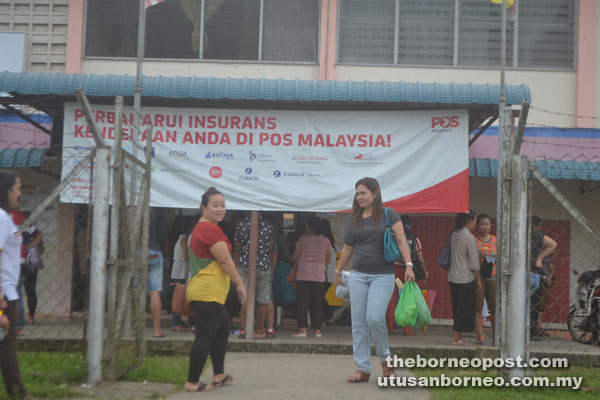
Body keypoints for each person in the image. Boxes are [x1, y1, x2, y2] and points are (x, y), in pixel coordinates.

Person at [333, 177, 415, 383]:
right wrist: (337, 271)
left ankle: (386, 358)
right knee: (358, 323)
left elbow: (401, 241)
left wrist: (409, 266)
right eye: (357, 193)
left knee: (374, 318)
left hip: (383, 275)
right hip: (358, 275)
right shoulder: (354, 218)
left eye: (363, 193)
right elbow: (349, 248)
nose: (359, 197)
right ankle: (363, 368)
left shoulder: (389, 214)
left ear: (375, 193)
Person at [184, 187, 247, 392]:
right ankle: (192, 382)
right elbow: (225, 260)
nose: (220, 209)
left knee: (222, 329)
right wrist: (239, 283)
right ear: (203, 208)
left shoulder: (201, 228)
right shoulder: (209, 229)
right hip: (207, 291)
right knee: (204, 335)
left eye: (223, 205)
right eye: (215, 205)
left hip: (206, 290)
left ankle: (219, 374)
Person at [0, 170, 27, 399]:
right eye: (17, 188)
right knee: (7, 345)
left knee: (6, 344)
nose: (19, 193)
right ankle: (19, 394)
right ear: (7, 191)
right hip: (4, 294)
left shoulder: (4, 218)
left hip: (8, 292)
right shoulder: (0, 218)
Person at [234, 212, 275, 339]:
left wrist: (247, 247)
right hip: (263, 265)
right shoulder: (269, 226)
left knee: (245, 298)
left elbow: (237, 243)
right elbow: (270, 247)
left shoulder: (242, 224)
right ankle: (260, 328)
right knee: (263, 300)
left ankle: (243, 329)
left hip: (245, 264)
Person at [386, 214, 428, 335]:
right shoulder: (414, 239)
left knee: (392, 299)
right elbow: (420, 259)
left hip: (394, 269)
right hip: (409, 271)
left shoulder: (394, 237)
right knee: (409, 299)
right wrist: (425, 271)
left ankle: (389, 327)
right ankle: (407, 328)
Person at [290, 216, 331, 337]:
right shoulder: (325, 240)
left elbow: (295, 257)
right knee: (317, 302)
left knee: (302, 302)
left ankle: (303, 329)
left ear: (309, 227)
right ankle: (317, 330)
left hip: (303, 273)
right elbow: (327, 260)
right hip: (318, 275)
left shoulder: (302, 239)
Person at [448, 212, 483, 346]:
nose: (475, 224)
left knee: (457, 308)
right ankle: (456, 338)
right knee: (463, 309)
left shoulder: (454, 233)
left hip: (452, 276)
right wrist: (479, 279)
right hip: (465, 278)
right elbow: (474, 262)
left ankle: (458, 337)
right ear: (469, 222)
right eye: (474, 222)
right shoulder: (469, 237)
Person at [529, 216, 557, 341]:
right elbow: (552, 244)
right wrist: (539, 257)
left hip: (526, 272)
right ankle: (531, 330)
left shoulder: (520, 235)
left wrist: (539, 257)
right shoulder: (537, 236)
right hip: (534, 273)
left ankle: (530, 329)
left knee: (532, 302)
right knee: (534, 302)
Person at [473, 213, 497, 345]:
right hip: (478, 277)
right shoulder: (473, 240)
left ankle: (495, 335)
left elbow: (501, 256)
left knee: (493, 307)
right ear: (477, 225)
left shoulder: (495, 240)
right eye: (482, 224)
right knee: (478, 307)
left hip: (492, 275)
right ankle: (480, 335)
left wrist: (492, 256)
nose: (485, 227)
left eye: (488, 224)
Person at [170, 216, 196, 332]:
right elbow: (186, 257)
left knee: (181, 295)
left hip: (180, 269)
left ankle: (178, 322)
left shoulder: (182, 237)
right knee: (180, 296)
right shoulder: (186, 238)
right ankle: (176, 322)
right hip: (181, 269)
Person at [148, 207, 168, 338]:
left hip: (136, 251)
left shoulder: (131, 207)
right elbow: (163, 233)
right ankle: (156, 330)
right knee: (154, 292)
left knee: (135, 291)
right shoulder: (157, 209)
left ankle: (131, 327)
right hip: (154, 250)